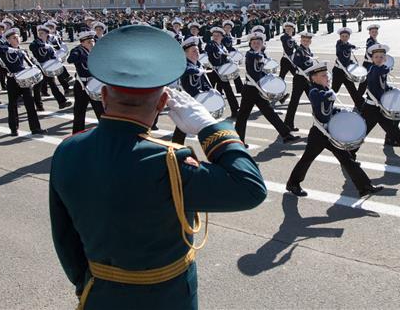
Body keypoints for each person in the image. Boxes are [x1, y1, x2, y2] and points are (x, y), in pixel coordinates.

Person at [49, 24, 267, 310]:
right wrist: (210, 127)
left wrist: (87, 284)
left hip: (100, 295)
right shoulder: (169, 162)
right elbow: (250, 189)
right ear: (164, 102)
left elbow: (65, 239)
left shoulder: (67, 150)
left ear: (104, 95)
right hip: (168, 298)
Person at [286, 61, 383, 198]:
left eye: (326, 74)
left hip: (330, 132)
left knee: (347, 159)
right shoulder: (314, 91)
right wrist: (328, 95)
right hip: (319, 134)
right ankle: (293, 183)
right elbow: (319, 104)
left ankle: (365, 187)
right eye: (323, 75)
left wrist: (339, 111)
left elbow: (329, 110)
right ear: (313, 78)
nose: (327, 77)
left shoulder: (325, 89)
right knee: (307, 159)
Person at [236, 32, 301, 145]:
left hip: (260, 89)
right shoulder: (250, 54)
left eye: (258, 43)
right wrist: (262, 57)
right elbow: (256, 61)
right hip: (250, 90)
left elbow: (265, 69)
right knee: (243, 116)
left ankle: (286, 135)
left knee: (270, 113)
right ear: (250, 44)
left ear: (262, 44)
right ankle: (238, 141)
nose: (256, 45)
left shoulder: (262, 54)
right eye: (254, 43)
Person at [0, 28, 47, 136]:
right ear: (8, 40)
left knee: (30, 104)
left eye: (17, 37)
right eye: (13, 38)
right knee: (13, 105)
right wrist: (8, 48)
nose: (17, 39)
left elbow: (29, 62)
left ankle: (35, 128)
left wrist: (34, 65)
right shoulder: (5, 51)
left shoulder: (22, 51)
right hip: (13, 80)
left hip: (25, 80)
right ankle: (14, 128)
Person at [66, 30, 104, 133]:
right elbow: (70, 59)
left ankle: (105, 133)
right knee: (79, 111)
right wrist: (78, 51)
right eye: (88, 42)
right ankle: (77, 134)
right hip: (82, 85)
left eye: (92, 41)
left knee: (100, 111)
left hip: (95, 85)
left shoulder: (96, 51)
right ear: (82, 43)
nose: (92, 44)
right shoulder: (79, 51)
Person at [31, 25, 71, 109]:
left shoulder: (49, 44)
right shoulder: (36, 42)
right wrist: (43, 45)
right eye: (39, 33)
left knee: (51, 84)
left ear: (47, 34)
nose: (40, 34)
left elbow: (53, 54)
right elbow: (32, 46)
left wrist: (57, 59)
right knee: (38, 86)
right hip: (39, 67)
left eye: (42, 33)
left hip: (48, 67)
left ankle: (61, 102)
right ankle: (39, 104)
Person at [205, 27, 239, 119]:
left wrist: (231, 61)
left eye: (218, 35)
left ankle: (235, 110)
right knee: (208, 93)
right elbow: (209, 49)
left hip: (221, 72)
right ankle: (206, 112)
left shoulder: (222, 46)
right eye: (214, 35)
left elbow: (225, 58)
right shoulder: (210, 45)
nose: (215, 37)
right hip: (212, 72)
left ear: (222, 37)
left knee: (229, 91)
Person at [284, 31, 315, 130]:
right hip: (299, 79)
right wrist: (307, 62)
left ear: (310, 42)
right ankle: (288, 124)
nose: (305, 42)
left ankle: (318, 124)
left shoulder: (308, 50)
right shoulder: (299, 51)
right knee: (294, 102)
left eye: (307, 41)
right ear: (301, 41)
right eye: (304, 40)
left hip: (307, 79)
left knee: (314, 100)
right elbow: (296, 63)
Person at [330, 27, 365, 109]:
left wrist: (352, 63)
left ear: (349, 37)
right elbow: (342, 48)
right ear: (340, 37)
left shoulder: (348, 45)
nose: (344, 38)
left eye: (346, 36)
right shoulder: (339, 44)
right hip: (338, 71)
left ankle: (360, 106)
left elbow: (346, 59)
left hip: (346, 71)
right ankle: (327, 106)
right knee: (334, 90)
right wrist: (351, 46)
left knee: (352, 89)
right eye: (342, 36)